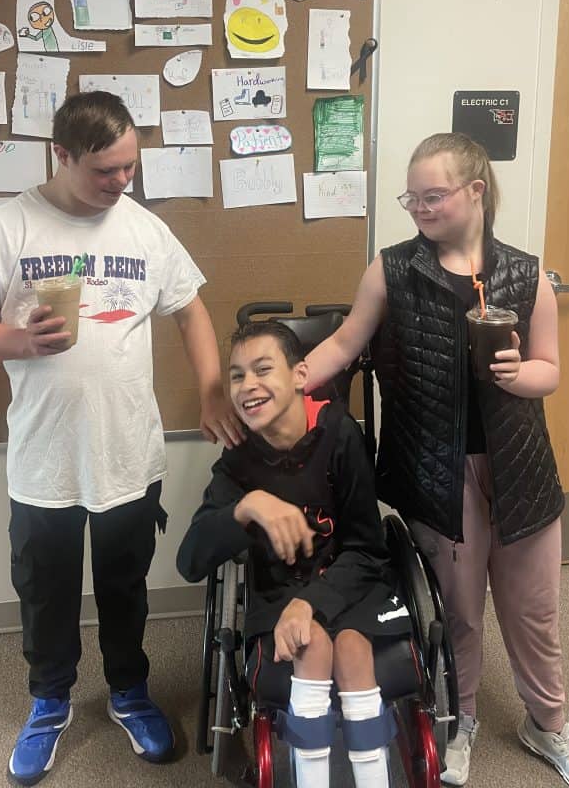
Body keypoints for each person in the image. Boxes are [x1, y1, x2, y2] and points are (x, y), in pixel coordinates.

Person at [0, 91, 242, 786]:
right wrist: (18, 338)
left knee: (123, 585)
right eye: (105, 171)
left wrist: (208, 388)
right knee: (44, 589)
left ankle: (129, 692)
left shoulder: (142, 229)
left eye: (130, 168)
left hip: (127, 454)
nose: (121, 183)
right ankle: (49, 702)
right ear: (63, 155)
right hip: (44, 459)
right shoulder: (5, 229)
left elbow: (192, 309)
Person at [303, 133, 569, 788]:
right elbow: (343, 344)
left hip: (521, 470)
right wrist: (285, 382)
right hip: (436, 473)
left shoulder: (528, 276)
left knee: (534, 611)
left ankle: (549, 725)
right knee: (459, 612)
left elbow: (549, 371)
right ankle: (460, 718)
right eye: (410, 197)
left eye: (432, 195)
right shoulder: (391, 270)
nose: (418, 207)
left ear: (475, 192)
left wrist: (516, 373)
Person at [177, 320, 411, 788]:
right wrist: (247, 506)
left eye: (264, 369)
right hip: (280, 593)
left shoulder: (339, 435)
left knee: (350, 645)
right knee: (313, 643)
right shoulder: (238, 462)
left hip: (353, 583)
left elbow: (367, 549)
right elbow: (190, 561)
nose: (248, 385)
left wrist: (312, 603)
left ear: (301, 375)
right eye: (237, 375)